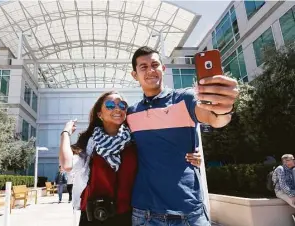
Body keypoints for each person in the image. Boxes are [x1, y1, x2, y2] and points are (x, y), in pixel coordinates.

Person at [127, 46, 239, 226]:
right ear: (135, 74)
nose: (150, 70)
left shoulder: (184, 98)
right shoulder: (131, 113)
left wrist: (224, 108)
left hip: (189, 213)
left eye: (155, 64)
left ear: (163, 69)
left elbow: (214, 118)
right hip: (145, 215)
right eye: (143, 67)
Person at [59, 91, 202, 226]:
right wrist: (65, 132)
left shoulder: (134, 140)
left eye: (122, 105)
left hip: (128, 216)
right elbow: (67, 165)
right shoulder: (90, 144)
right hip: (95, 216)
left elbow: (160, 155)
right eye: (110, 105)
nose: (117, 109)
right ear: (99, 114)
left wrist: (189, 156)